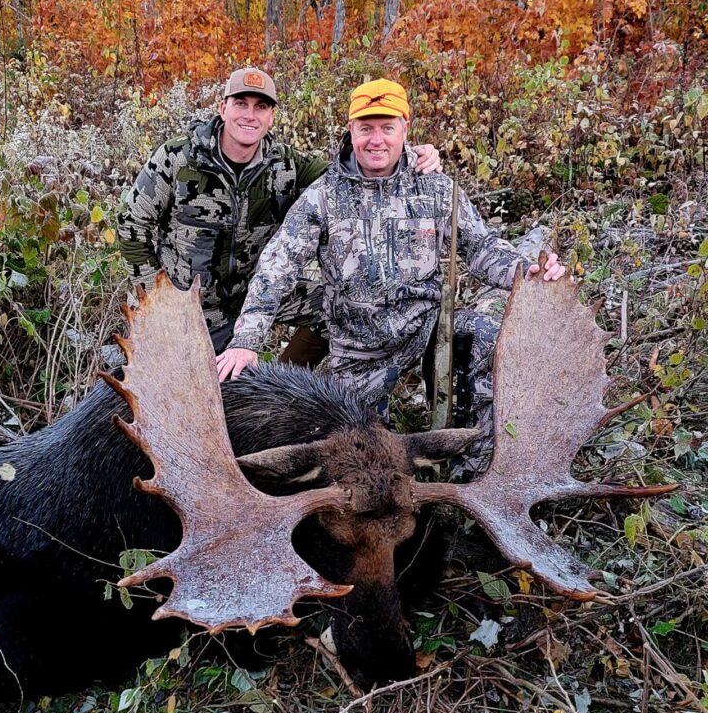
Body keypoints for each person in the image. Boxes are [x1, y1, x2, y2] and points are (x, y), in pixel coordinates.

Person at [217, 78, 565, 469]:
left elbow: (481, 247)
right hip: (358, 350)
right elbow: (277, 265)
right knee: (354, 453)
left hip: (428, 331)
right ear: (351, 131)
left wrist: (527, 271)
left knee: (482, 336)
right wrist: (246, 340)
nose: (376, 140)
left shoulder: (436, 188)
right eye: (366, 128)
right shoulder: (323, 195)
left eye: (387, 127)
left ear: (405, 128)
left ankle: (476, 462)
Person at [117, 67, 442, 361]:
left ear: (271, 116)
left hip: (247, 300)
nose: (250, 115)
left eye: (261, 106)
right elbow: (132, 222)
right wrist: (156, 298)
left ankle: (279, 386)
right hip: (180, 305)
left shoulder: (286, 166)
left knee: (343, 308)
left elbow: (351, 177)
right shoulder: (178, 157)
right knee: (169, 394)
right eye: (241, 103)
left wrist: (411, 156)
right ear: (223, 108)